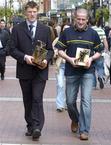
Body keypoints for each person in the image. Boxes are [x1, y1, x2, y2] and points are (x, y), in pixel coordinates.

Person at [54, 8, 102, 140]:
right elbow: (59, 50)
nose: (81, 21)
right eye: (78, 19)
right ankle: (75, 119)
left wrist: (91, 59)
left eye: (83, 19)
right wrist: (69, 59)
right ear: (74, 19)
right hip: (71, 71)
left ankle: (84, 130)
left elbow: (99, 51)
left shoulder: (93, 34)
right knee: (69, 102)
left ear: (87, 20)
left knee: (86, 101)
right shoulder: (67, 32)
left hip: (87, 71)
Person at [9, 1, 54, 141]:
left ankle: (37, 127)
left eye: (34, 11)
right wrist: (24, 57)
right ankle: (30, 125)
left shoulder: (45, 30)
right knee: (27, 100)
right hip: (25, 70)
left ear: (37, 12)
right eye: (29, 11)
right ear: (25, 13)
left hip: (40, 71)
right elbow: (12, 49)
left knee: (37, 98)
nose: (32, 14)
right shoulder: (17, 29)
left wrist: (46, 59)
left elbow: (51, 51)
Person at [54, 24, 70, 112]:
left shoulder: (73, 39)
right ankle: (60, 105)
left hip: (70, 66)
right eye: (64, 29)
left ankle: (68, 103)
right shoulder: (57, 40)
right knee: (60, 84)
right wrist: (55, 52)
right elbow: (52, 50)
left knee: (69, 85)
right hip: (60, 65)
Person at [90, 18, 109, 89]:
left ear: (89, 23)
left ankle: (94, 85)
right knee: (100, 67)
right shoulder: (101, 30)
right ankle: (100, 77)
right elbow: (105, 41)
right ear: (96, 23)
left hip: (91, 52)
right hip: (100, 51)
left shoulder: (89, 31)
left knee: (91, 69)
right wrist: (106, 50)